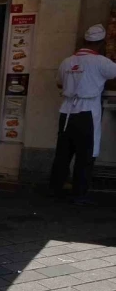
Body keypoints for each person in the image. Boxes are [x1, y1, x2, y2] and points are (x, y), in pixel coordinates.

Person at [50, 24, 116, 205]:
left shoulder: (67, 61)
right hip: (87, 111)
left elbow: (59, 84)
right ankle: (79, 194)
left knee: (63, 153)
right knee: (85, 154)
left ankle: (55, 189)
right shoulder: (102, 62)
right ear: (101, 43)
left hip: (67, 111)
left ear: (84, 41)